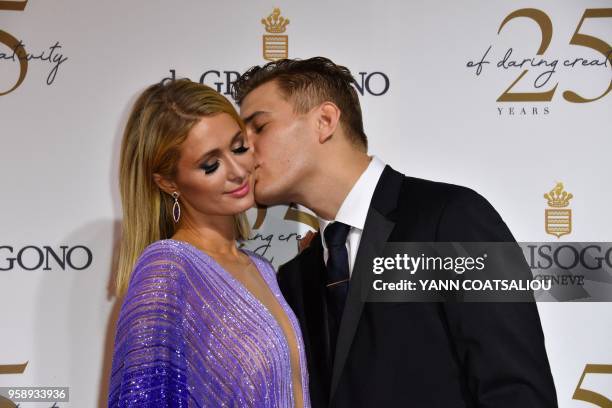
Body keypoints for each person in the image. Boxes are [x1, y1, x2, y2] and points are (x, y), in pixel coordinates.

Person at [232, 57, 558, 407]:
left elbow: (518, 390)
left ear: (324, 121)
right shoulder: (297, 277)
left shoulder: (452, 218)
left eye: (259, 127)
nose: (243, 149)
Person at [108, 79, 310, 407]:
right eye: (210, 165)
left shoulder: (261, 268)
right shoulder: (167, 268)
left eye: (239, 147)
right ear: (168, 181)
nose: (237, 171)